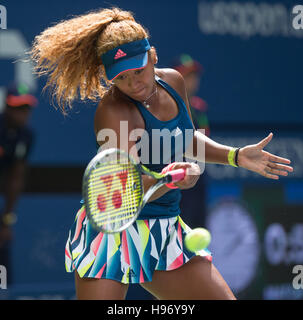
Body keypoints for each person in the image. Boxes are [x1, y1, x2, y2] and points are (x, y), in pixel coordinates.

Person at [30, 7, 293, 300]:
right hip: (111, 234)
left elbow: (185, 139)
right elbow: (125, 190)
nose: (134, 84)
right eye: (122, 78)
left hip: (164, 228)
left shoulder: (174, 82)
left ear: (153, 56)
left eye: (139, 71)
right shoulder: (114, 111)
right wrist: (169, 179)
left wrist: (235, 156)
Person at [0, 83, 37, 284]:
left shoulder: (26, 137)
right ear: (7, 107)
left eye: (26, 108)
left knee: (3, 247)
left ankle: (4, 291)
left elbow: (16, 177)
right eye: (17, 107)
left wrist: (6, 220)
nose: (23, 113)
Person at [172, 54, 209, 228]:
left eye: (194, 76)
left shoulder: (200, 108)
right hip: (178, 175)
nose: (192, 81)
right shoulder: (168, 107)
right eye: (186, 76)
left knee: (198, 224)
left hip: (199, 176)